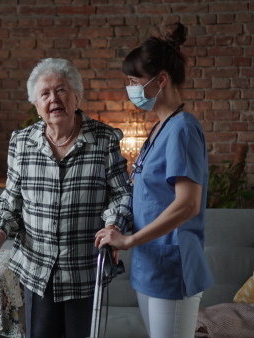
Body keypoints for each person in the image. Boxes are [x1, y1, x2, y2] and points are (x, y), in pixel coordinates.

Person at [0, 57, 133, 338]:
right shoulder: (21, 142)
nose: (54, 99)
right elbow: (11, 199)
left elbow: (121, 194)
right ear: (36, 105)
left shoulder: (105, 139)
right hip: (37, 272)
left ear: (76, 96)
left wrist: (113, 225)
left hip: (83, 270)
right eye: (45, 93)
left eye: (61, 90)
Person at [94, 23, 214, 338]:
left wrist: (130, 241)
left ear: (160, 80)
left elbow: (187, 204)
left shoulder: (183, 129)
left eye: (134, 81)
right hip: (150, 265)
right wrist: (117, 229)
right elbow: (147, 197)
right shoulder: (159, 128)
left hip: (172, 268)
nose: (130, 88)